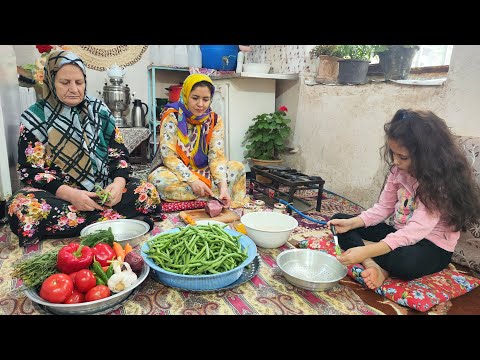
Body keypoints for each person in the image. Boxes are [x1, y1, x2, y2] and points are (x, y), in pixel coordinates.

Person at [6, 50, 162, 247]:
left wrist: (119, 184)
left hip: (102, 189)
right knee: (22, 207)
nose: (74, 89)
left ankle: (88, 222)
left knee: (146, 191)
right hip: (60, 195)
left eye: (79, 82)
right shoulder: (35, 118)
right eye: (65, 82)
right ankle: (109, 221)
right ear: (51, 81)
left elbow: (118, 152)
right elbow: (30, 170)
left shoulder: (99, 110)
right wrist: (70, 194)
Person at [328, 109, 480, 290]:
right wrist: (353, 223)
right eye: (392, 153)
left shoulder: (438, 184)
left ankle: (369, 256)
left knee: (405, 263)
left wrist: (366, 250)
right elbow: (383, 208)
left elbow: (416, 231)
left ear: (427, 155)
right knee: (340, 221)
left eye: (403, 157)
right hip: (399, 234)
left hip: (431, 247)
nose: (395, 161)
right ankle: (373, 265)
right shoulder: (397, 171)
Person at [148, 74, 247, 208]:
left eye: (205, 99)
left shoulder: (215, 120)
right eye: (195, 98)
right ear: (186, 95)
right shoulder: (172, 116)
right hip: (176, 170)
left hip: (204, 168)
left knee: (238, 168)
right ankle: (212, 196)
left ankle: (217, 194)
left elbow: (216, 157)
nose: (200, 104)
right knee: (158, 181)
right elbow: (169, 157)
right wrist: (192, 180)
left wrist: (223, 187)